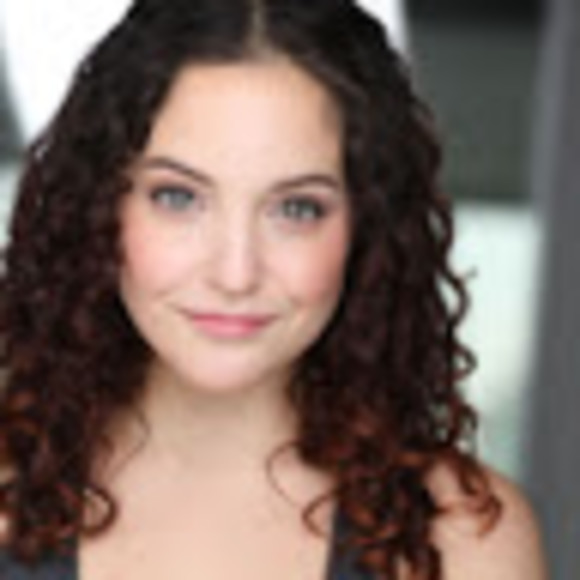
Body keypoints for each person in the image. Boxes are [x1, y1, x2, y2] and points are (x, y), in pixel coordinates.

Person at [0, 0, 547, 578]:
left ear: (367, 229)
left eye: (296, 209)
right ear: (99, 208)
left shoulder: (460, 538)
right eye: (178, 197)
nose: (235, 274)